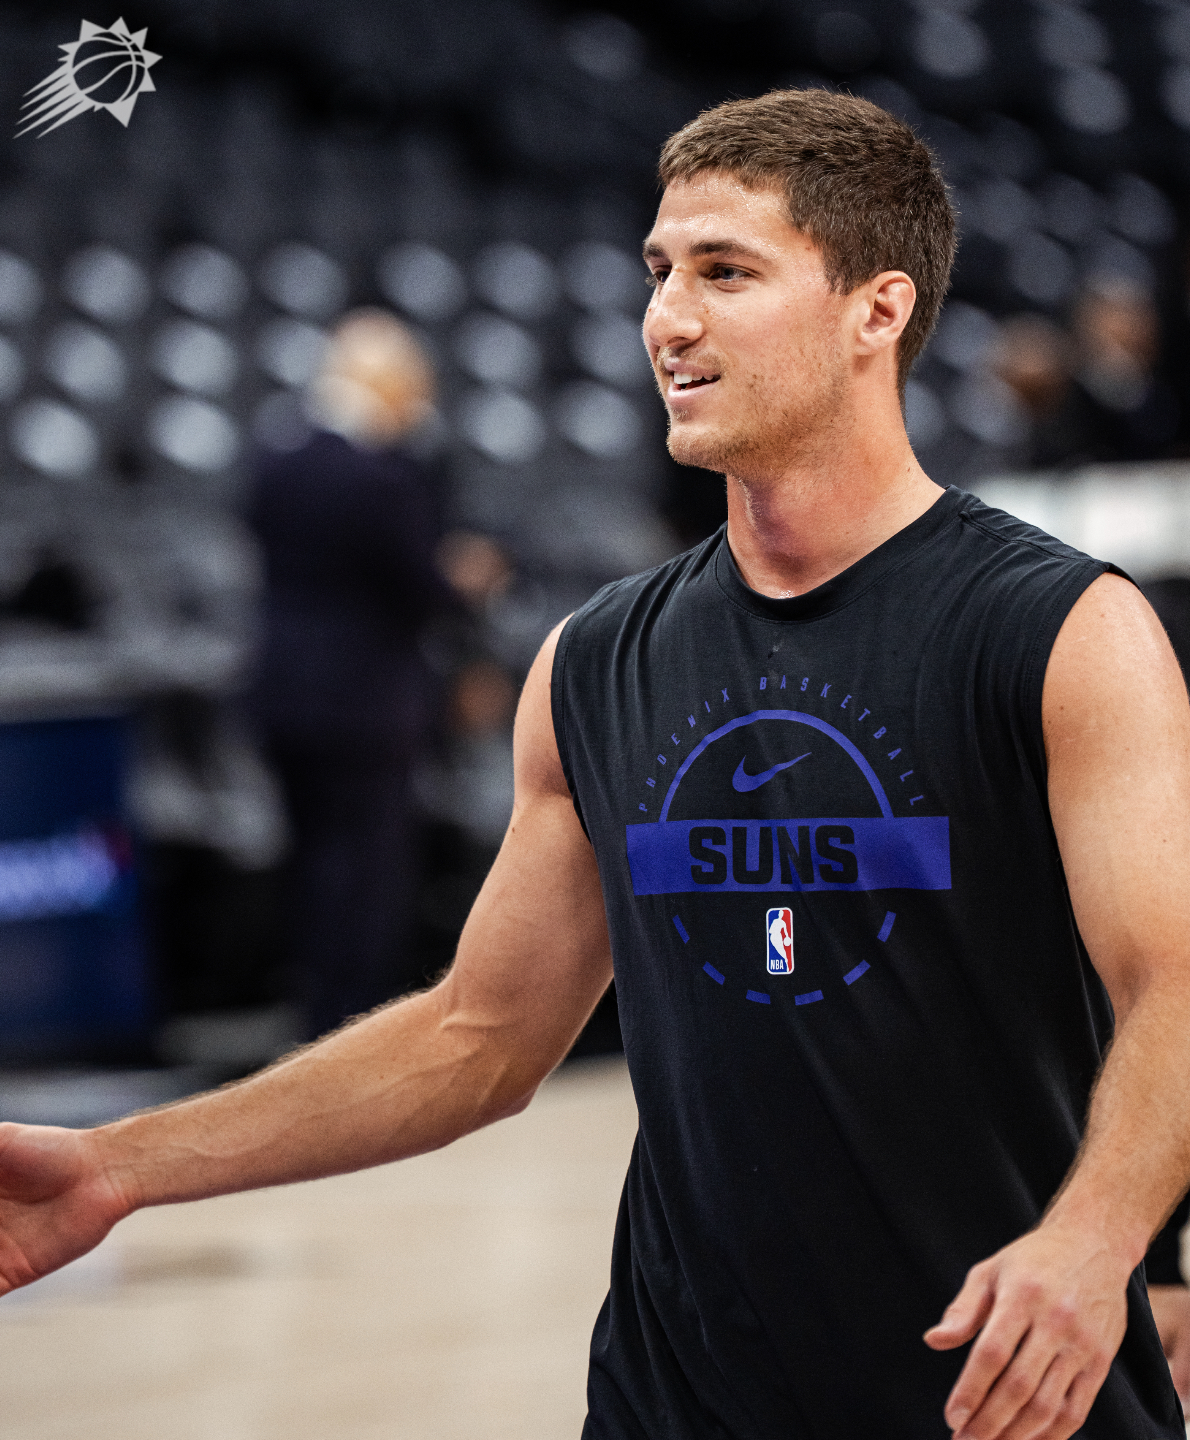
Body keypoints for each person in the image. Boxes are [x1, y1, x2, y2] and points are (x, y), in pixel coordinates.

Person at [2, 90, 1190, 1439]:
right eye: (657, 271)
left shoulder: (1062, 632)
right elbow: (476, 1038)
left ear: (875, 310)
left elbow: (1174, 983)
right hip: (675, 1406)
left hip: (1003, 1392)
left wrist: (1097, 1242)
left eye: (724, 273)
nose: (666, 319)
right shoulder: (596, 660)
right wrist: (116, 1168)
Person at [247, 309, 457, 1038]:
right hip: (364, 707)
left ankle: (314, 1020)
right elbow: (423, 590)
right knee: (367, 876)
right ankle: (354, 1032)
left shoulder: (275, 462)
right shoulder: (380, 480)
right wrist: (467, 579)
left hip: (282, 695)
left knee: (310, 863)